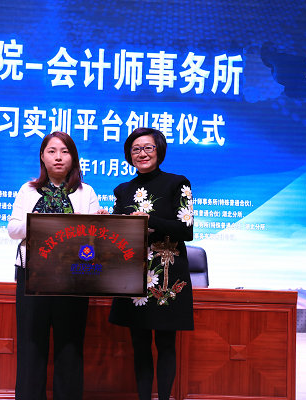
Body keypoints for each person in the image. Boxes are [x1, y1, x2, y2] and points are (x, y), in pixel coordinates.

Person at [7, 131, 104, 400]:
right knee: (31, 344)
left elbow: (96, 238)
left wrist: (96, 223)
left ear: (74, 158)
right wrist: (39, 222)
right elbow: (13, 229)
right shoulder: (28, 190)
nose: (58, 157)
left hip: (75, 276)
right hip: (33, 274)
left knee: (70, 345)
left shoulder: (86, 192)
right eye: (52, 151)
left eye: (64, 151)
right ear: (42, 156)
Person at [109, 127, 194, 400]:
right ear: (129, 155)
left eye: (148, 148)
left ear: (159, 151)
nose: (142, 153)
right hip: (133, 274)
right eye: (135, 149)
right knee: (140, 345)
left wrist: (150, 221)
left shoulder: (177, 183)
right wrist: (106, 220)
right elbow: (116, 234)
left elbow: (187, 230)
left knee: (166, 344)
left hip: (166, 274)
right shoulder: (123, 190)